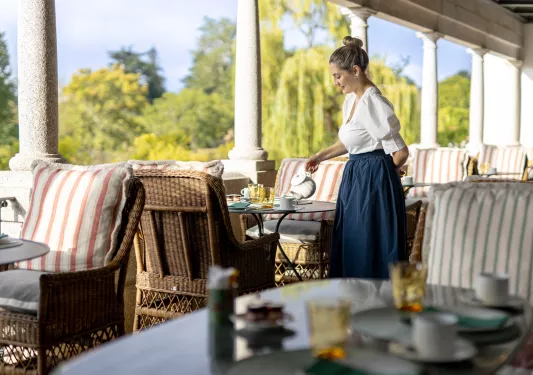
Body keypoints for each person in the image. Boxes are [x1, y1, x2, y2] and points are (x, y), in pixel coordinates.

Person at [305, 36, 410, 279]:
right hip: (357, 178)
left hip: (373, 182)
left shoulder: (373, 102)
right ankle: (352, 303)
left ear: (355, 71)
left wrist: (383, 175)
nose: (335, 82)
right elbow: (351, 142)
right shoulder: (352, 100)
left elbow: (401, 152)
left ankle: (376, 304)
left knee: (369, 245)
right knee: (353, 243)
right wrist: (320, 157)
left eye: (337, 76)